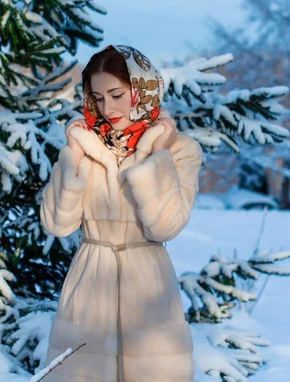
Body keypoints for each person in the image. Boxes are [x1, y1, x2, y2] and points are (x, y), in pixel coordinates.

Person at [40, 44, 203, 381]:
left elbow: (165, 227)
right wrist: (72, 158)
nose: (107, 107)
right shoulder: (83, 145)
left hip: (148, 286)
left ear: (141, 89)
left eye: (116, 94)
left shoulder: (180, 150)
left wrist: (157, 159)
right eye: (98, 98)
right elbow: (57, 224)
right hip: (89, 281)